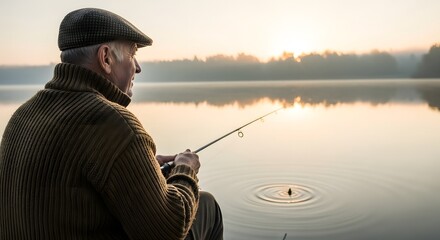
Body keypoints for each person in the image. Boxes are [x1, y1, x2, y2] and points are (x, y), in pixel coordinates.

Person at [0, 8, 223, 240]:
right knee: (207, 205)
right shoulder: (114, 124)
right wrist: (185, 170)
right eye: (132, 54)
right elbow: (168, 231)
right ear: (106, 58)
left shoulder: (21, 116)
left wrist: (141, 169)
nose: (138, 67)